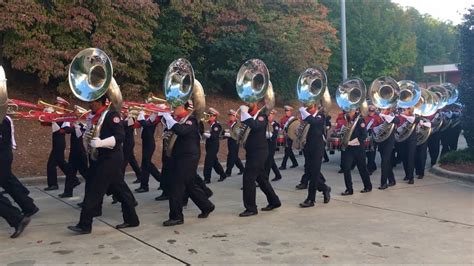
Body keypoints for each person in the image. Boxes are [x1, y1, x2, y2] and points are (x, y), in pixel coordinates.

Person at [68, 96, 139, 234]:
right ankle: (132, 219)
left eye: (91, 102)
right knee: (121, 190)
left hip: (110, 158)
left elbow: (120, 137)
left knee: (94, 191)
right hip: (99, 157)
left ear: (99, 102)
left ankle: (85, 225)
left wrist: (101, 143)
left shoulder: (111, 115)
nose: (89, 105)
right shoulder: (93, 116)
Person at [160, 101, 215, 226]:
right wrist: (162, 116)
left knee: (176, 185)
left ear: (183, 108)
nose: (173, 109)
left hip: (188, 157)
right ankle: (206, 206)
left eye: (176, 107)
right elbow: (169, 130)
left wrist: (169, 117)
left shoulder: (191, 119)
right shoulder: (177, 119)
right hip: (179, 156)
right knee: (189, 185)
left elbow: (182, 131)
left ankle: (176, 216)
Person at [238, 103, 281, 217]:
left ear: (255, 104)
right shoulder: (249, 117)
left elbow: (256, 126)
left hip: (259, 152)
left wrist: (245, 113)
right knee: (262, 179)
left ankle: (251, 208)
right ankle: (274, 201)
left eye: (249, 103)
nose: (247, 104)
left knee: (248, 178)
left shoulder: (262, 116)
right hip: (251, 152)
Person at [0, 115, 38, 238]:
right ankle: (28, 206)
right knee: (9, 182)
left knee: (8, 182)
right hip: (4, 156)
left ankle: (17, 218)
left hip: (2, 157)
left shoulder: (3, 120)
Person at [298, 105, 331, 207]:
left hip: (317, 148)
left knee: (314, 173)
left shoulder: (320, 115)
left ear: (315, 107)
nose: (308, 110)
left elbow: (314, 122)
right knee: (310, 172)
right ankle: (325, 188)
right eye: (307, 108)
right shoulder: (309, 117)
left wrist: (304, 111)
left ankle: (310, 199)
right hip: (308, 147)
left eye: (310, 107)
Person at [42, 97, 76, 191]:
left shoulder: (65, 117)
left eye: (58, 105)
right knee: (61, 163)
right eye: (56, 104)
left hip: (60, 143)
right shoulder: (56, 116)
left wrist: (62, 130)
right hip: (56, 142)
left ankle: (53, 184)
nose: (56, 106)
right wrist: (45, 114)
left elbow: (69, 129)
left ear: (63, 106)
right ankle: (73, 179)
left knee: (51, 164)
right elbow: (45, 123)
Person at [340, 109, 372, 195]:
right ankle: (349, 189)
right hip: (348, 148)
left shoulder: (360, 120)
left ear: (354, 111)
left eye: (349, 110)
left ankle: (368, 186)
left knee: (362, 168)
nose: (348, 112)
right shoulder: (347, 119)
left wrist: (353, 142)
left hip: (358, 148)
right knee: (346, 168)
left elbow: (364, 134)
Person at [135, 110, 161, 193]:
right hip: (146, 142)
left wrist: (141, 115)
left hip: (149, 142)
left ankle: (145, 185)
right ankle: (161, 180)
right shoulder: (149, 118)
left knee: (146, 164)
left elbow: (145, 125)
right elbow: (139, 125)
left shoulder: (154, 118)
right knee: (146, 164)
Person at [59, 120, 87, 198]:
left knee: (86, 174)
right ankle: (68, 192)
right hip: (74, 152)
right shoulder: (76, 124)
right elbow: (67, 130)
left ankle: (92, 193)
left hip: (81, 153)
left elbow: (75, 132)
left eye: (78, 112)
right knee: (70, 172)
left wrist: (71, 124)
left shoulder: (83, 125)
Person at [373, 108, 399, 189]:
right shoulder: (378, 117)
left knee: (384, 162)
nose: (382, 110)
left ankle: (383, 183)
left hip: (389, 142)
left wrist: (384, 115)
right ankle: (392, 180)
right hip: (381, 141)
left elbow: (397, 121)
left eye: (384, 109)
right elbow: (374, 127)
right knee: (386, 162)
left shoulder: (392, 116)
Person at [203, 107, 227, 183]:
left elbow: (214, 136)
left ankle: (207, 178)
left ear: (214, 116)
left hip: (213, 145)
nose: (209, 117)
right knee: (214, 161)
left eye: (211, 115)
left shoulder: (216, 125)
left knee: (208, 162)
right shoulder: (211, 125)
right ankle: (222, 174)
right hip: (210, 145)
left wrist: (207, 135)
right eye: (209, 115)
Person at [397, 107, 419, 184]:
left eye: (405, 110)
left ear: (410, 110)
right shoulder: (399, 117)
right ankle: (407, 174)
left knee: (410, 158)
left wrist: (404, 116)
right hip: (402, 140)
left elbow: (414, 120)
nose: (403, 111)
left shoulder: (414, 117)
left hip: (411, 140)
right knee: (404, 158)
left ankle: (411, 177)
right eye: (403, 109)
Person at [122, 114, 141, 183]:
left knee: (123, 161)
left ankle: (120, 179)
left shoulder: (131, 118)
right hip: (126, 142)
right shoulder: (124, 118)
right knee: (132, 161)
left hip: (128, 142)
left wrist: (119, 120)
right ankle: (140, 176)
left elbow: (125, 124)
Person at [224, 109, 244, 177]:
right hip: (230, 141)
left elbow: (238, 134)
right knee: (234, 156)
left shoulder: (238, 124)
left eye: (231, 116)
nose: (230, 117)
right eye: (229, 116)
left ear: (235, 116)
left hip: (235, 141)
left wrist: (229, 133)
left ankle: (228, 171)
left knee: (231, 156)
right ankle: (242, 169)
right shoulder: (229, 123)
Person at [265, 109, 282, 181]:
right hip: (266, 144)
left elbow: (274, 135)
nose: (269, 116)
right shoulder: (266, 124)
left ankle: (265, 179)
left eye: (271, 115)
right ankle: (278, 175)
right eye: (269, 115)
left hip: (271, 145)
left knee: (268, 162)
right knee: (271, 161)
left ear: (274, 116)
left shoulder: (276, 125)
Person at [279, 105, 298, 170]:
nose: (287, 112)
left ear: (291, 112)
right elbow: (281, 127)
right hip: (285, 136)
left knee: (287, 150)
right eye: (286, 111)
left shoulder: (293, 119)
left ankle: (283, 165)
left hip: (290, 136)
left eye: (288, 111)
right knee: (288, 150)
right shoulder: (283, 119)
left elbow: (296, 127)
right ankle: (295, 163)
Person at [364, 105, 381, 175]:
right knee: (367, 153)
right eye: (370, 110)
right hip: (366, 136)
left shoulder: (378, 118)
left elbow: (381, 127)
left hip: (374, 136)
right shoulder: (365, 117)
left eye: (372, 111)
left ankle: (369, 169)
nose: (371, 112)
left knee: (372, 153)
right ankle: (373, 166)